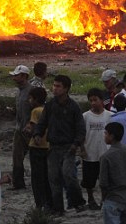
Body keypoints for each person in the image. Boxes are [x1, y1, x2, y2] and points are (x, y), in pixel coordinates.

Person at [33, 74, 87, 215]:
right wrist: (37, 134)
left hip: (68, 147)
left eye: (58, 86)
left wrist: (76, 144)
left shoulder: (74, 107)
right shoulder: (50, 106)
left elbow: (80, 128)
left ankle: (78, 202)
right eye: (54, 85)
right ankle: (58, 208)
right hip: (53, 148)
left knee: (69, 176)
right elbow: (42, 123)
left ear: (66, 89)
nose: (54, 89)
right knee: (54, 179)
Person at [100, 122, 126, 224]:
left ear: (111, 136)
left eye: (106, 133)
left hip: (113, 198)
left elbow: (103, 182)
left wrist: (104, 198)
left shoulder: (106, 156)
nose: (104, 136)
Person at [83, 88, 112, 210]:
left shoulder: (110, 116)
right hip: (90, 152)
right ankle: (90, 199)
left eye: (95, 100)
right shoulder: (85, 116)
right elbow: (81, 134)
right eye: (91, 100)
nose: (93, 103)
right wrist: (81, 149)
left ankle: (104, 199)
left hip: (105, 153)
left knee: (105, 181)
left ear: (102, 100)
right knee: (89, 181)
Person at [24, 86, 51, 209]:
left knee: (36, 178)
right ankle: (49, 202)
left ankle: (39, 204)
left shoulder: (35, 111)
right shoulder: (48, 109)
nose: (29, 101)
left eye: (30, 98)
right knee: (47, 177)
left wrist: (27, 130)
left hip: (36, 147)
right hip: (48, 146)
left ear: (35, 99)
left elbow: (33, 129)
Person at [9, 64, 31, 190]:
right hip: (19, 129)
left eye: (16, 76)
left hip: (30, 131)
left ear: (24, 76)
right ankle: (18, 183)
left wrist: (31, 124)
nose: (14, 78)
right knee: (17, 157)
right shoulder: (19, 92)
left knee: (36, 157)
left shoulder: (31, 91)